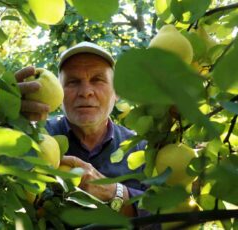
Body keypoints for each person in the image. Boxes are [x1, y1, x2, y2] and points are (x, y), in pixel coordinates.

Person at [16, 42, 149, 219]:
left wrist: (115, 193)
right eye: (73, 82)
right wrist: (7, 119)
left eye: (97, 80)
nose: (85, 92)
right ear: (59, 92)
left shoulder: (141, 150)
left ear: (117, 92)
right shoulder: (31, 138)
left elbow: (170, 216)